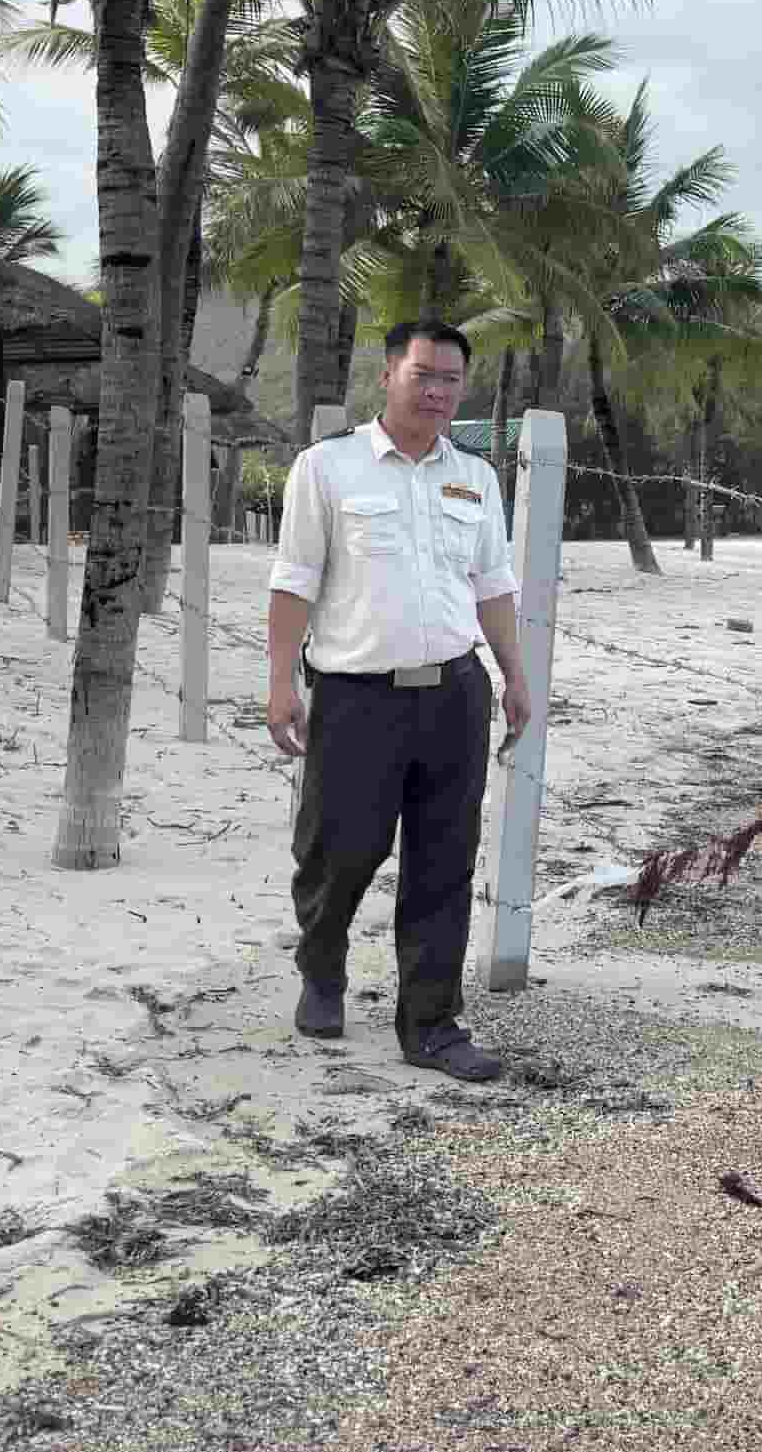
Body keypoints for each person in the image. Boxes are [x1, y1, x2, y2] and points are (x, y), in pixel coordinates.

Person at [264, 320, 533, 1080]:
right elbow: (293, 582)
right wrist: (281, 680)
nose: (439, 391)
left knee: (444, 861)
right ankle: (323, 969)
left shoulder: (474, 478)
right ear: (387, 374)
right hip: (356, 697)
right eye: (424, 374)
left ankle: (432, 1024)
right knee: (338, 851)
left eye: (451, 379)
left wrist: (513, 674)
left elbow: (492, 587)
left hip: (453, 694)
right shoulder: (327, 468)